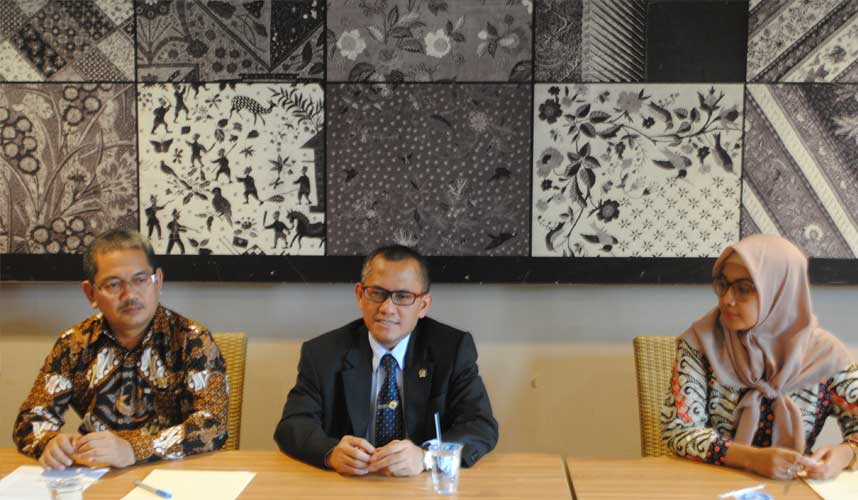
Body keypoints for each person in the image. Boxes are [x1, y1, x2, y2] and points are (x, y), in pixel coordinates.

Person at [13, 229, 229, 469]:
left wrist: (133, 449)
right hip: (96, 474)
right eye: (113, 284)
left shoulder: (193, 340)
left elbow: (213, 425)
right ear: (91, 293)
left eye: (140, 280)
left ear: (158, 281)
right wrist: (50, 443)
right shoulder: (73, 344)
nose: (130, 295)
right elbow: (30, 420)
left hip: (171, 473)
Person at [274, 245, 498, 476]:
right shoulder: (323, 353)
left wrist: (426, 457)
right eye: (377, 293)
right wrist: (330, 453)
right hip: (350, 484)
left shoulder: (452, 350)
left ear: (423, 305)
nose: (387, 308)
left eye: (403, 296)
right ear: (360, 295)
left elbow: (480, 425)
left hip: (421, 485)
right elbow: (293, 425)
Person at [663, 234, 858, 480]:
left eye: (743, 289)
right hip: (711, 481)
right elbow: (679, 431)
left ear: (781, 291)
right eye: (723, 284)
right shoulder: (701, 344)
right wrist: (751, 459)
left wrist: (845, 454)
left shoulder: (823, 357)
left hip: (795, 486)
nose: (727, 299)